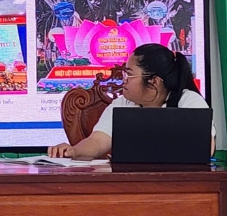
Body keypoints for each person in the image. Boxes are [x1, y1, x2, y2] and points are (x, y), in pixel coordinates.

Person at [48, 44, 215, 160]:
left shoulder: (188, 101)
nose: (124, 80)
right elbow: (97, 142)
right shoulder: (122, 104)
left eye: (129, 74)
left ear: (154, 81)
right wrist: (74, 150)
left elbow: (206, 148)